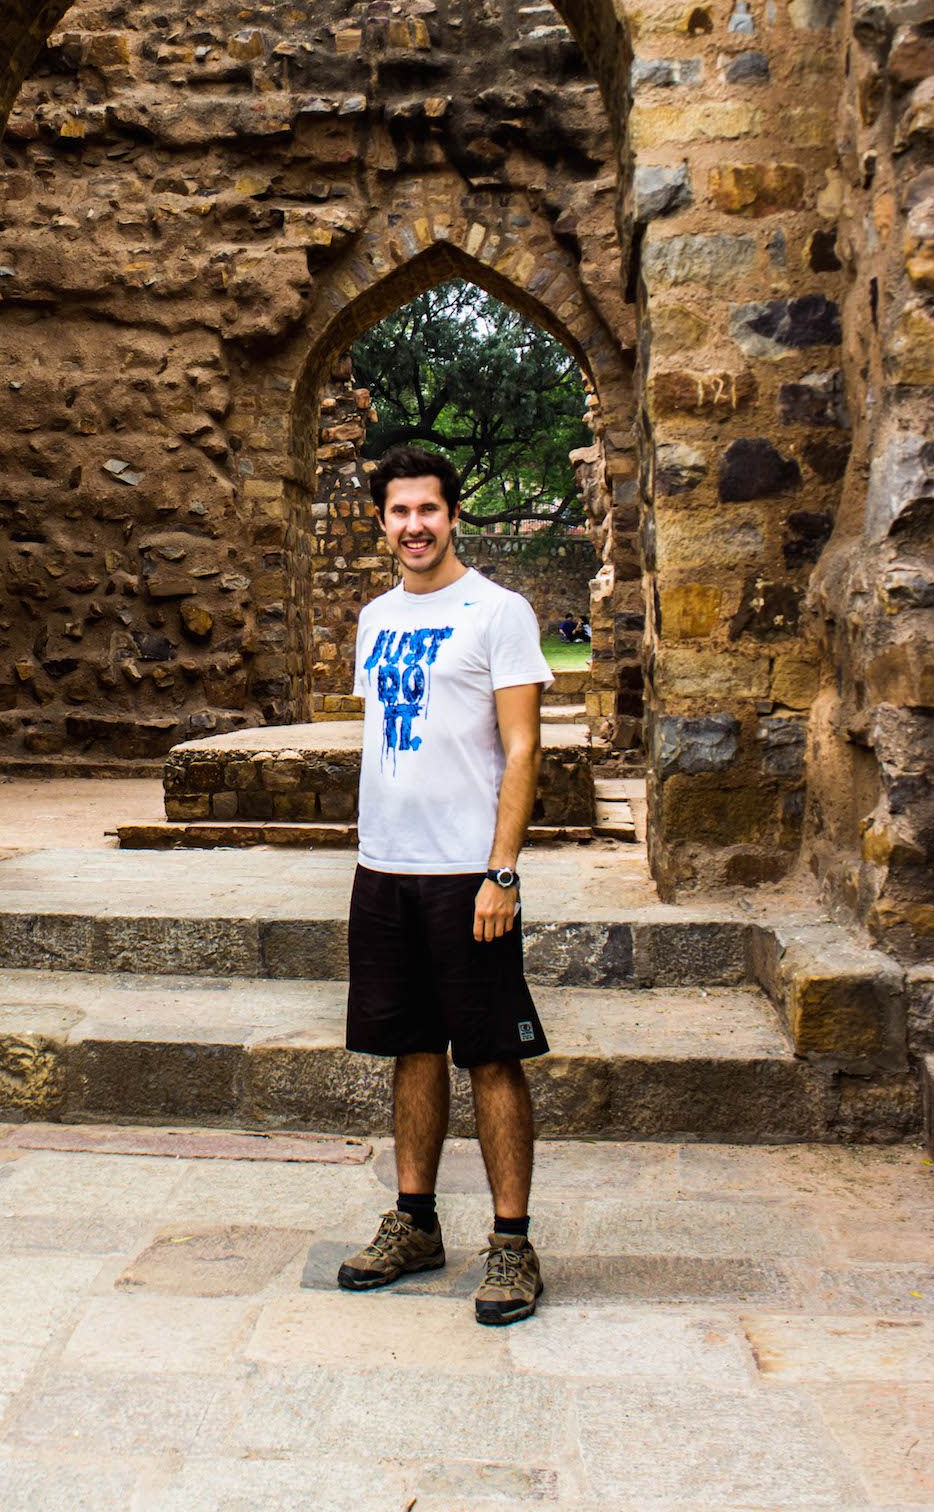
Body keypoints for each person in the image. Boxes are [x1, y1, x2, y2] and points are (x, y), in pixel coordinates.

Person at [338, 442, 553, 1326]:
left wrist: (502, 871)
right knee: (411, 1048)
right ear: (382, 521)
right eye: (399, 512)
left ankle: (511, 1244)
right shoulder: (374, 618)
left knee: (493, 1056)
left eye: (428, 509)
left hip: (470, 873)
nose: (414, 526)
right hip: (385, 868)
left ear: (453, 513)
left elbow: (523, 747)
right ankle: (416, 1220)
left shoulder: (497, 612)